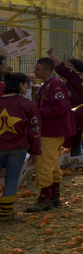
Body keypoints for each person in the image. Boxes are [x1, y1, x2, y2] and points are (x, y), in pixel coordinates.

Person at [31, 56, 76, 211]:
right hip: (53, 130)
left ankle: (45, 198)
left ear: (47, 71)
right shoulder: (48, 85)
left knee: (44, 163)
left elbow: (60, 106)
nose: (34, 71)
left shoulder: (55, 85)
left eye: (38, 69)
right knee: (53, 163)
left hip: (51, 130)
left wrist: (39, 113)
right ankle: (54, 195)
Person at [0, 73, 39, 222]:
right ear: (20, 84)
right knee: (11, 179)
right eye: (26, 84)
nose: (28, 87)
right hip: (18, 148)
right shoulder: (28, 105)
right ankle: (5, 215)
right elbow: (34, 130)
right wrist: (35, 151)